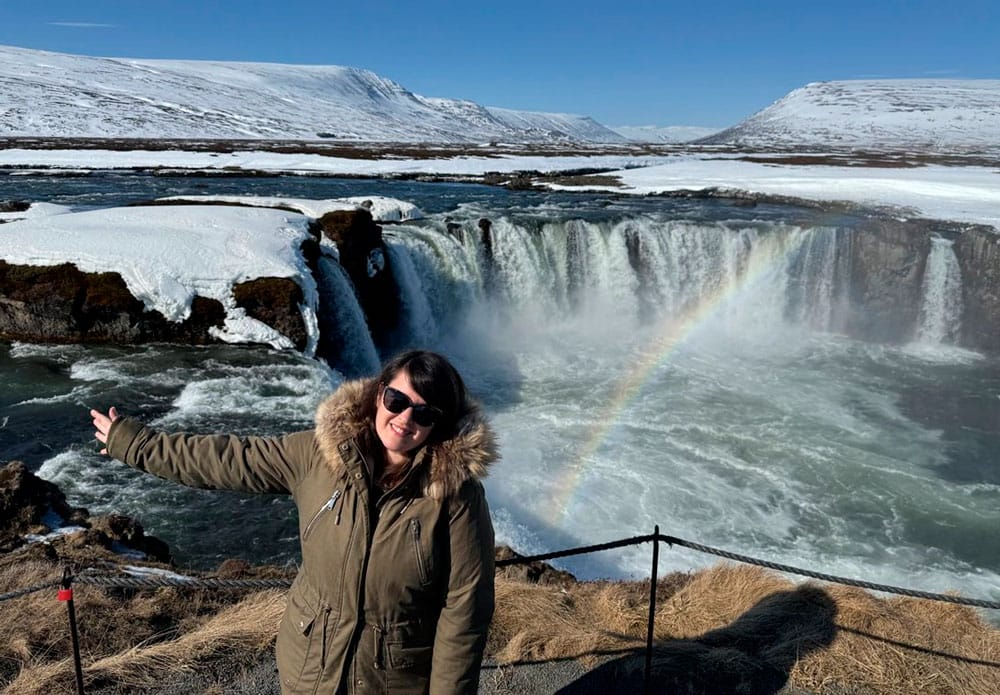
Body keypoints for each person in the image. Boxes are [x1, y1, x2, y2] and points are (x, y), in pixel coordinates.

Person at [90, 350, 498, 695]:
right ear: (378, 395)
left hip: (392, 680)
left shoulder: (454, 498)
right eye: (396, 400)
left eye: (424, 412)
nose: (405, 418)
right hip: (309, 665)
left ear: (438, 425)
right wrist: (136, 444)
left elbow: (464, 614)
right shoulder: (316, 455)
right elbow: (228, 459)